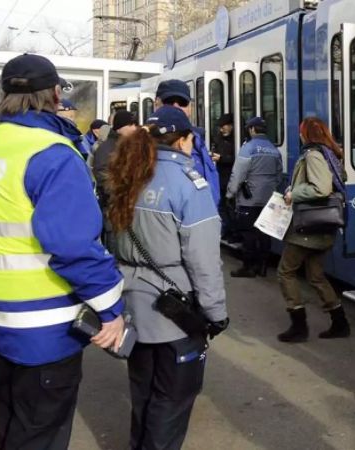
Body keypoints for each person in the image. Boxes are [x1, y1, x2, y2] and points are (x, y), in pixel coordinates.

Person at [0, 53, 125, 450]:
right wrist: (111, 309)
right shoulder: (52, 153)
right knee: (41, 435)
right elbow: (72, 245)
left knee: (11, 427)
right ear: (55, 94)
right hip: (46, 324)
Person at [103, 106, 228, 450]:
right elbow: (203, 260)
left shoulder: (129, 174)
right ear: (185, 140)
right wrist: (216, 313)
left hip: (131, 305)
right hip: (174, 312)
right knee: (171, 401)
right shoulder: (190, 185)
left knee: (143, 394)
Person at [277, 117, 350, 342]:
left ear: (305, 134)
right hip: (324, 225)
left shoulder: (313, 155)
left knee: (285, 271)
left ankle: (299, 326)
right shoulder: (332, 153)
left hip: (309, 227)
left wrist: (293, 194)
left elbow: (321, 188)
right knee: (316, 276)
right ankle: (340, 323)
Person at [226, 116, 283, 277]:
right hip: (269, 198)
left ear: (252, 129)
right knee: (264, 232)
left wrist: (230, 193)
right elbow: (279, 176)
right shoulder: (274, 149)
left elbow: (238, 175)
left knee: (248, 233)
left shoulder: (248, 148)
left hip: (249, 199)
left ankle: (249, 267)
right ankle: (263, 265)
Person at [155, 79, 221, 206]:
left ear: (190, 107)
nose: (176, 107)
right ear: (156, 104)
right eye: (169, 102)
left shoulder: (196, 139)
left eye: (182, 103)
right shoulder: (145, 144)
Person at [92, 110, 139, 208]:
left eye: (135, 125)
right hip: (113, 205)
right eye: (131, 125)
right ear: (119, 127)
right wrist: (121, 191)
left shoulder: (132, 145)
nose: (134, 128)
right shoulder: (106, 147)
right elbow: (102, 174)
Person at [212, 113, 236, 239]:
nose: (222, 129)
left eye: (224, 126)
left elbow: (236, 159)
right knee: (222, 206)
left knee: (230, 206)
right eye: (220, 127)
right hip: (221, 176)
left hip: (231, 177)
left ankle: (233, 232)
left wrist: (222, 158)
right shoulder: (218, 138)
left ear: (231, 126)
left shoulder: (237, 139)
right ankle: (226, 230)